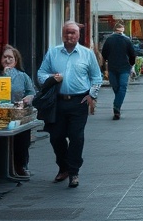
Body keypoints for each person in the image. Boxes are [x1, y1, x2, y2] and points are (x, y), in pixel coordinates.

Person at [37, 21, 103, 188]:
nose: (69, 35)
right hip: (57, 102)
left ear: (78, 35)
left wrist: (92, 95)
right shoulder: (53, 53)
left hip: (79, 101)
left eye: (73, 32)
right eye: (67, 32)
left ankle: (74, 172)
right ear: (62, 34)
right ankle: (63, 167)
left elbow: (96, 77)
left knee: (76, 137)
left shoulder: (87, 54)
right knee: (56, 137)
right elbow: (41, 74)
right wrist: (52, 78)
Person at [0, 46, 36, 177]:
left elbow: (32, 92)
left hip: (18, 114)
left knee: (22, 140)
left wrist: (28, 99)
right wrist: (2, 77)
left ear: (16, 61)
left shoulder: (22, 76)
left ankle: (20, 165)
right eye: (4, 57)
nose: (7, 60)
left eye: (10, 58)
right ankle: (0, 168)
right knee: (0, 141)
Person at [101, 21, 136, 120]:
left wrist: (104, 65)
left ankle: (117, 107)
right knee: (122, 87)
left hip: (112, 67)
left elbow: (104, 54)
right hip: (124, 67)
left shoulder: (109, 40)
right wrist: (132, 66)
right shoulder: (127, 40)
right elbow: (132, 55)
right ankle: (117, 105)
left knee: (116, 87)